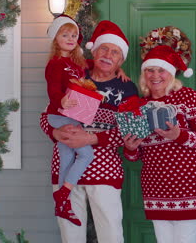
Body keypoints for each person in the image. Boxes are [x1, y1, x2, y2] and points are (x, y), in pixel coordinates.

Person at [40, 20, 138, 243]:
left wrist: (92, 137)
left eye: (115, 52)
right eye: (104, 48)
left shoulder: (127, 88)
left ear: (121, 60)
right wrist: (55, 134)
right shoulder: (75, 72)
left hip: (104, 171)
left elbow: (129, 131)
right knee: (70, 235)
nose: (108, 55)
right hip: (66, 166)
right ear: (94, 50)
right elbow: (46, 115)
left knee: (111, 234)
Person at [122, 45, 196, 243]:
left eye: (161, 70)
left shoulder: (188, 97)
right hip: (155, 186)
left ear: (171, 74)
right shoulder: (138, 106)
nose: (155, 75)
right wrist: (130, 148)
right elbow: (136, 155)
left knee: (186, 239)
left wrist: (178, 135)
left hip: (189, 184)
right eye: (150, 70)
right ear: (143, 74)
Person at [44, 15, 95, 227]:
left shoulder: (77, 62)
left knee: (66, 157)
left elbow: (93, 66)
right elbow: (53, 89)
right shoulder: (55, 64)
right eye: (65, 35)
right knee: (85, 153)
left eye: (74, 35)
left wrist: (117, 69)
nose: (70, 38)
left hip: (75, 116)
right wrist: (61, 100)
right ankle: (64, 192)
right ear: (56, 39)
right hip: (60, 115)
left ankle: (62, 206)